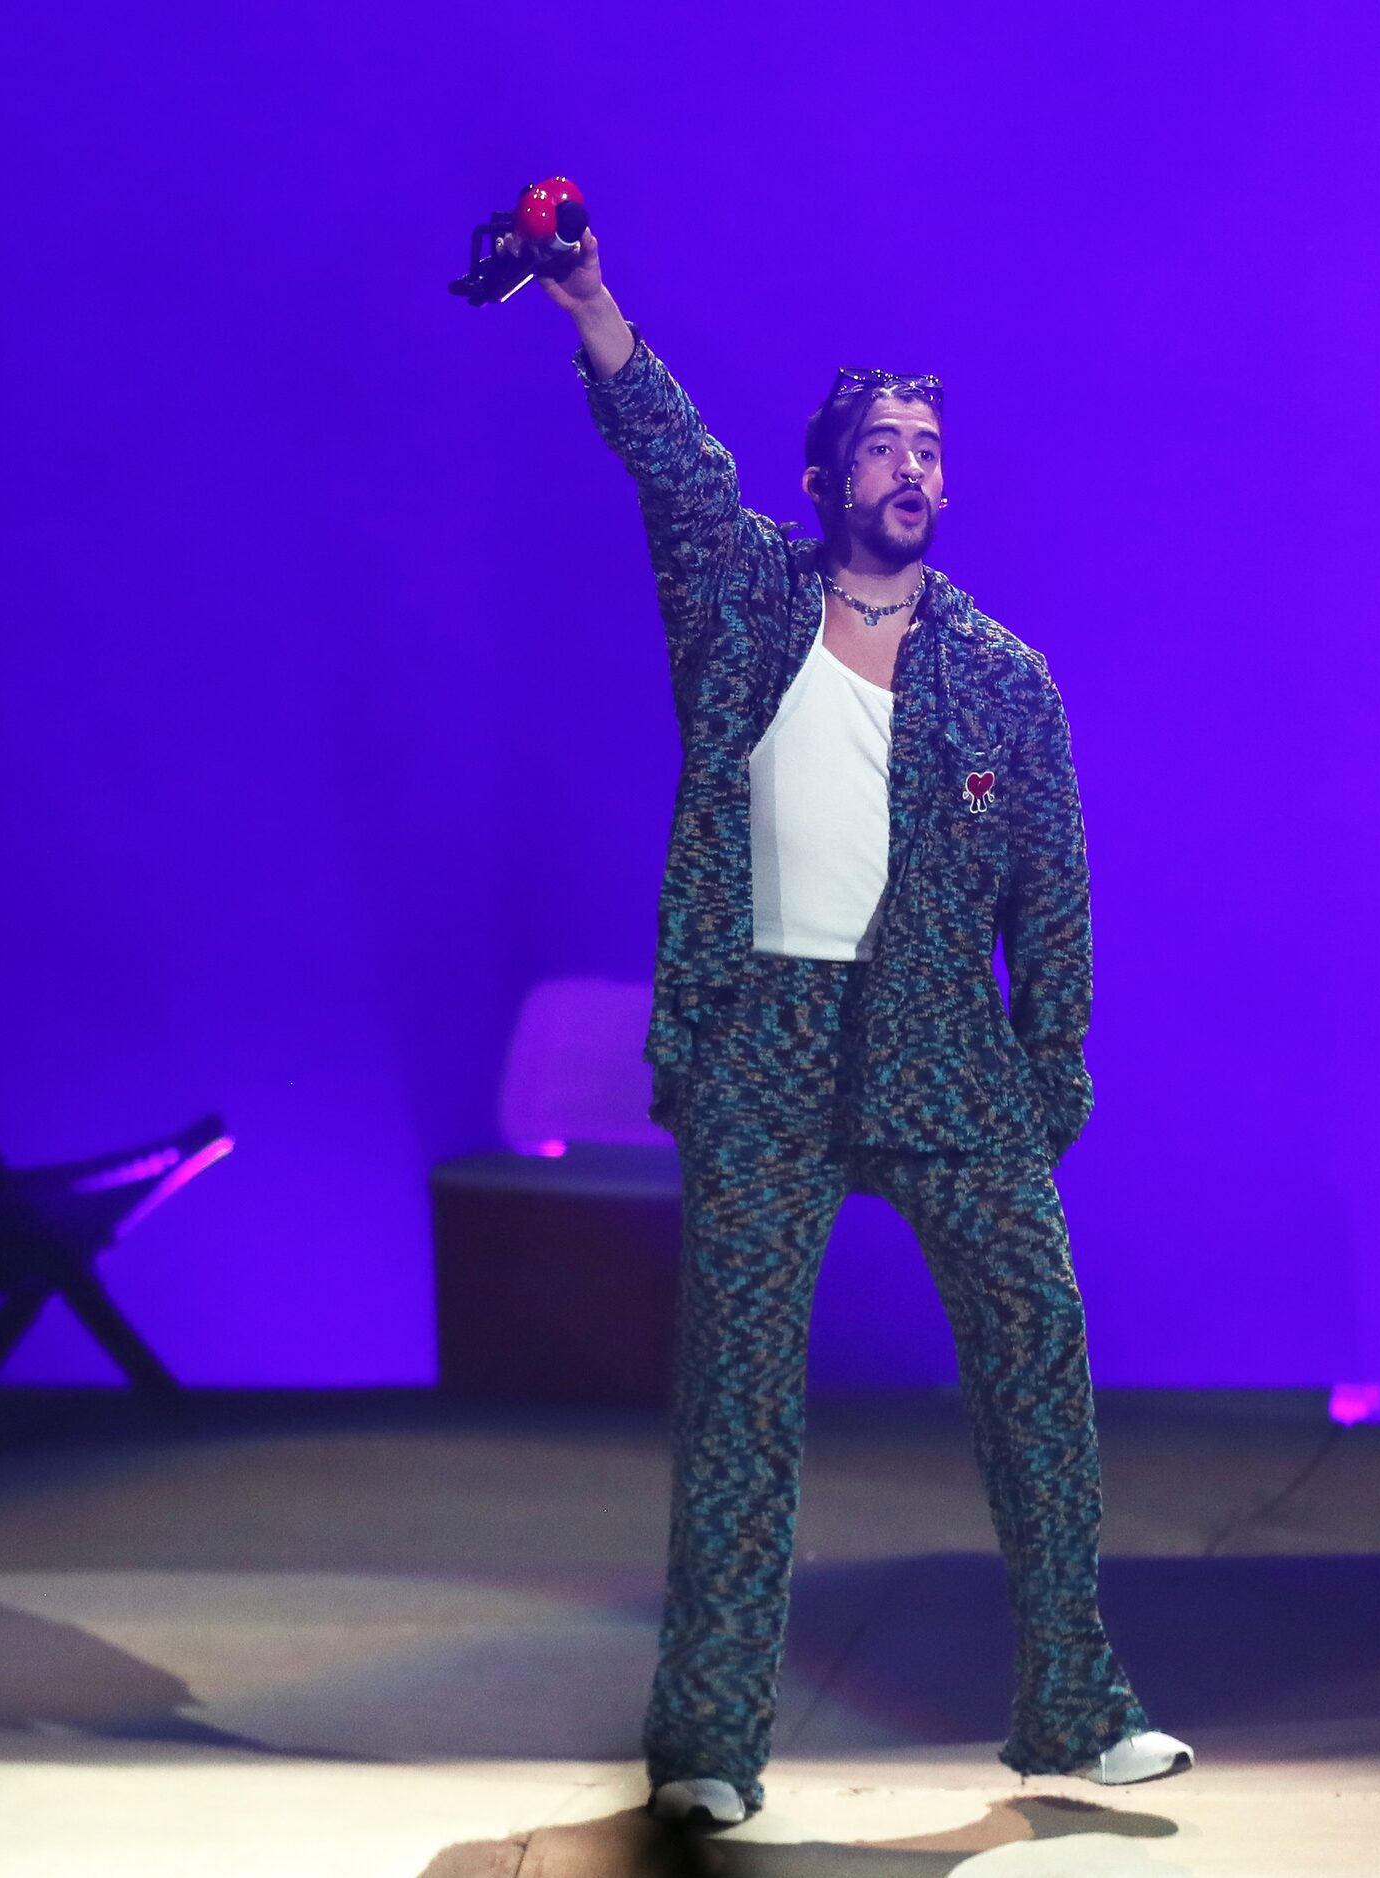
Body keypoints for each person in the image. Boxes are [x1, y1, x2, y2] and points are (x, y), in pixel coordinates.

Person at [514, 219, 1191, 1828]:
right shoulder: (746, 602)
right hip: (766, 1040)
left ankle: (1077, 1704)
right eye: (880, 445)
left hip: (953, 1050)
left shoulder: (1004, 677)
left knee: (1039, 1368)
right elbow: (675, 468)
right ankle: (706, 1745)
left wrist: (1054, 1070)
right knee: (739, 1400)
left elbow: (1058, 892)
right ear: (822, 480)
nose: (909, 466)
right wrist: (594, 302)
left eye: (929, 448)